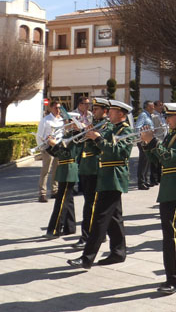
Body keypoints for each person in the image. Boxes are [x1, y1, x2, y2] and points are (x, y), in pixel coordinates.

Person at [67, 100, 133, 269]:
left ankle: (86, 258)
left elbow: (117, 152)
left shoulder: (126, 130)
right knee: (114, 218)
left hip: (114, 178)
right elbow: (99, 146)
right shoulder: (112, 128)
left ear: (121, 114)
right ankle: (118, 252)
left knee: (99, 218)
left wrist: (98, 139)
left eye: (112, 111)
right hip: (105, 176)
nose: (109, 113)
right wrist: (87, 134)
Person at [140, 103, 176, 295]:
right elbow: (157, 160)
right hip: (169, 187)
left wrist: (153, 141)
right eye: (167, 116)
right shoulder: (173, 134)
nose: (166, 120)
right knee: (173, 232)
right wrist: (147, 144)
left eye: (170, 117)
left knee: (170, 235)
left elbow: (170, 157)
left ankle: (174, 279)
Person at [74, 97, 110, 249]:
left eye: (96, 109)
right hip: (86, 168)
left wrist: (87, 132)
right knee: (89, 203)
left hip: (96, 169)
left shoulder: (106, 126)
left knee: (91, 205)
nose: (93, 112)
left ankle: (88, 236)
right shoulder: (94, 124)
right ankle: (97, 234)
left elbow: (101, 145)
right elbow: (81, 142)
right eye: (93, 109)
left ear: (105, 111)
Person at [44, 119, 82, 239]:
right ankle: (69, 227)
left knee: (61, 200)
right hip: (64, 168)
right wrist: (49, 145)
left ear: (74, 123)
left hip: (69, 169)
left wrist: (54, 145)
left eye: (68, 122)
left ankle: (54, 229)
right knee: (68, 199)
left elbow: (68, 154)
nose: (65, 124)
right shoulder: (66, 135)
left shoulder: (77, 137)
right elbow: (58, 154)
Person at [37, 100, 63, 202]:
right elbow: (40, 135)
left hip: (57, 147)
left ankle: (54, 191)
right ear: (51, 108)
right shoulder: (45, 120)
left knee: (56, 170)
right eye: (56, 108)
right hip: (47, 148)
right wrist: (44, 146)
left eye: (59, 108)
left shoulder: (61, 120)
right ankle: (42, 193)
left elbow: (62, 133)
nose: (58, 110)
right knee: (45, 171)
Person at [135, 100, 155, 190]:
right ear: (147, 107)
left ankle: (146, 180)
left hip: (148, 140)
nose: (153, 108)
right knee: (143, 161)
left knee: (147, 160)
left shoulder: (149, 115)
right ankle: (141, 182)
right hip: (143, 140)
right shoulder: (143, 115)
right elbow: (138, 127)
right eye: (151, 107)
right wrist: (142, 138)